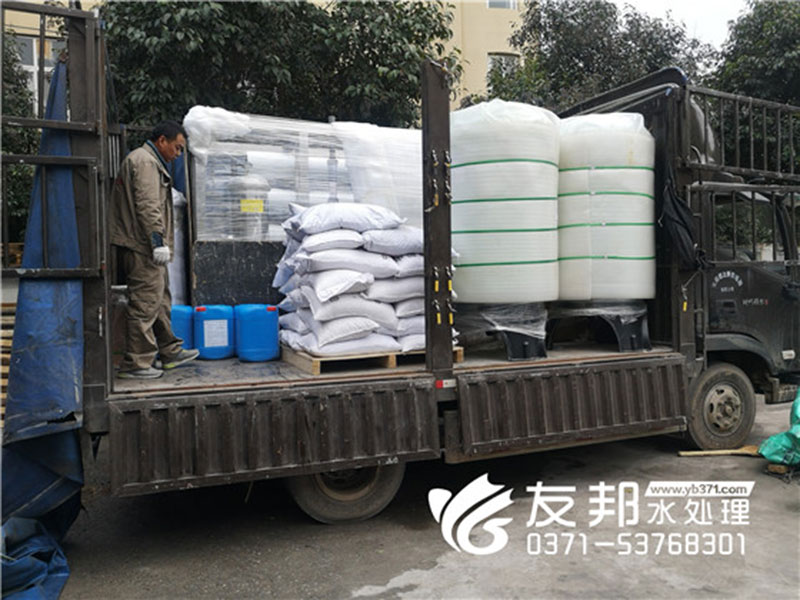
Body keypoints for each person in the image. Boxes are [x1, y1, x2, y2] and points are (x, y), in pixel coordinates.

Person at [110, 120, 199, 379]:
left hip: (145, 246)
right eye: (177, 147)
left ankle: (169, 351)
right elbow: (148, 206)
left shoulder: (148, 160)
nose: (178, 154)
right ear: (162, 141)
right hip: (142, 246)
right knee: (146, 303)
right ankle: (136, 363)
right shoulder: (146, 162)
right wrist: (157, 241)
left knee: (160, 299)